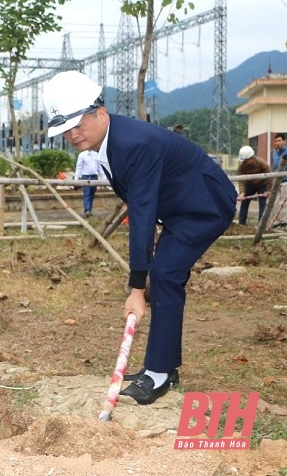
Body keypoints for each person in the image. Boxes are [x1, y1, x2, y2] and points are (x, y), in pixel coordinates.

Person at [43, 71, 236, 406]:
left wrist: (136, 288)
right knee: (165, 276)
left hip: (205, 204)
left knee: (164, 276)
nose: (72, 135)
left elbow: (142, 215)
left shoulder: (134, 143)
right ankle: (163, 368)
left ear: (100, 113)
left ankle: (158, 375)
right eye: (65, 130)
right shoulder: (109, 141)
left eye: (77, 125)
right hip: (180, 206)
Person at [235, 145, 271, 226]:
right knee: (244, 203)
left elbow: (270, 177)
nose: (243, 162)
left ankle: (261, 225)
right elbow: (241, 180)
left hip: (262, 184)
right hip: (249, 185)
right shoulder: (241, 167)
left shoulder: (261, 163)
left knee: (262, 203)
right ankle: (241, 224)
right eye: (243, 161)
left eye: (245, 160)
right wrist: (242, 192)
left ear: (251, 158)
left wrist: (268, 190)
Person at [74, 149, 100, 216]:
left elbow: (99, 167)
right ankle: (87, 210)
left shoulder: (96, 154)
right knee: (87, 193)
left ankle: (89, 210)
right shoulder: (82, 155)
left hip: (94, 176)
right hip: (86, 176)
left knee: (92, 194)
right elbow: (79, 167)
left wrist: (104, 179)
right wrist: (76, 179)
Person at [269, 133, 287, 229]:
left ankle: (284, 222)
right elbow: (273, 166)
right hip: (277, 180)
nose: (278, 143)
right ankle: (276, 221)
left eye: (279, 141)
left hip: (285, 180)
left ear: (284, 141)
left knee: (283, 202)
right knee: (275, 202)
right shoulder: (274, 153)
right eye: (276, 141)